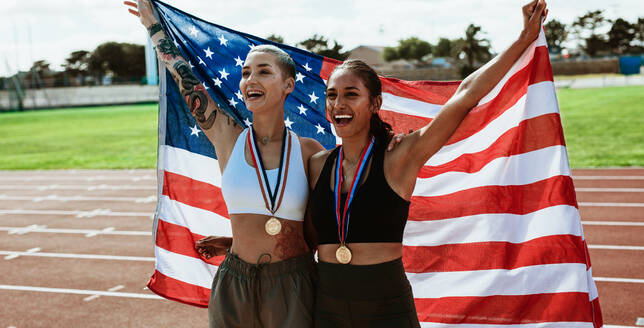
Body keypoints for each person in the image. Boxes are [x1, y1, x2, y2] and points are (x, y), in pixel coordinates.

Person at [308, 1, 548, 327]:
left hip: (385, 303)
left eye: (351, 94)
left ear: (375, 103)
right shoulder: (317, 165)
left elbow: (465, 95)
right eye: (331, 95)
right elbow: (302, 237)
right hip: (327, 302)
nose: (338, 104)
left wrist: (522, 39)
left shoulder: (400, 156)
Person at [125, 1, 326, 327]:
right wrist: (154, 28)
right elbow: (184, 79)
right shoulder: (227, 137)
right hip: (235, 279)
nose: (250, 79)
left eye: (264, 71)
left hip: (294, 279)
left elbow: (317, 231)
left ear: (288, 85)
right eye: (245, 72)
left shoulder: (308, 151)